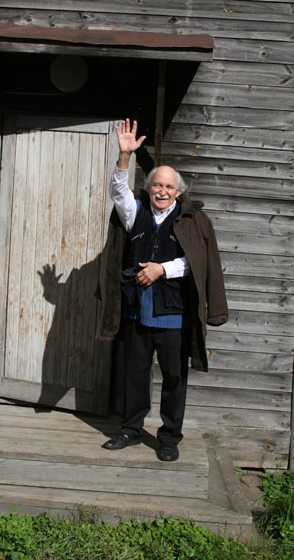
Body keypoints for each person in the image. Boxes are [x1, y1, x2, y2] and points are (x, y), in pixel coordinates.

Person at [98, 118, 228, 461]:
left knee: (174, 377)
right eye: (157, 185)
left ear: (178, 191)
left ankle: (169, 437)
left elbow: (195, 263)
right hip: (137, 310)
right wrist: (124, 156)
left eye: (169, 187)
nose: (162, 191)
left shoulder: (193, 220)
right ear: (150, 187)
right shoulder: (135, 211)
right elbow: (118, 191)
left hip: (174, 314)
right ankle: (130, 429)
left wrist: (161, 270)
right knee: (134, 374)